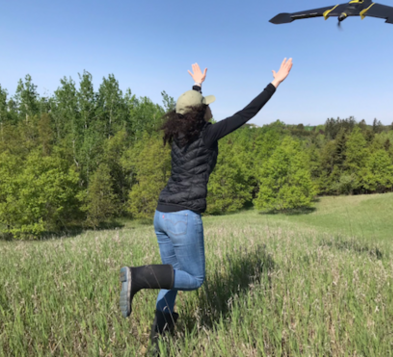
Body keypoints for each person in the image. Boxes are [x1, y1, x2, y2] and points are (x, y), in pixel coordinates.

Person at [119, 58, 293, 350]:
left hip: (162, 213)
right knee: (195, 278)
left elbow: (190, 106)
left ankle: (157, 346)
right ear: (201, 113)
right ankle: (136, 277)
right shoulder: (207, 133)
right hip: (183, 217)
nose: (211, 108)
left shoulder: (177, 134)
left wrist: (197, 84)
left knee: (171, 280)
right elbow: (247, 113)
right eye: (206, 105)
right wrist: (275, 83)